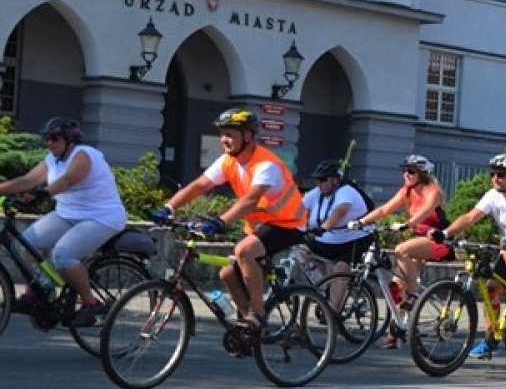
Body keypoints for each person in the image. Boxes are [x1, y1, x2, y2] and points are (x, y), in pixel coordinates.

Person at [157, 109, 306, 329]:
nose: (224, 140)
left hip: (288, 223)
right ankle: (246, 327)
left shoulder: (266, 164)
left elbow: (251, 200)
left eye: (230, 134)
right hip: (258, 225)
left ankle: (258, 315)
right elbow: (200, 186)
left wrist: (220, 221)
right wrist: (169, 207)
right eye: (222, 134)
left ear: (248, 136)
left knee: (245, 251)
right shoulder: (228, 161)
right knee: (228, 273)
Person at [0, 116, 128, 326]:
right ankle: (42, 288)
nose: (49, 143)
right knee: (25, 244)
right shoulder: (51, 160)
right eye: (47, 138)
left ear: (69, 140)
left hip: (101, 217)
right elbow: (26, 180)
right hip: (67, 214)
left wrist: (42, 194)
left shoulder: (84, 155)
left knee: (63, 255)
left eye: (54, 138)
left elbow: (69, 180)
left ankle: (90, 303)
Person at [431, 153, 506, 359]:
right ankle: (491, 341)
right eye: (493, 174)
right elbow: (470, 217)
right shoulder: (492, 195)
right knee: (490, 290)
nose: (496, 178)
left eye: (501, 175)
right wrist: (445, 233)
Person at [347, 155, 451, 343]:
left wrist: (407, 224)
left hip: (439, 241)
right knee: (395, 287)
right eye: (404, 171)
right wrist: (361, 221)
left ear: (422, 174)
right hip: (419, 241)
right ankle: (397, 331)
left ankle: (415, 294)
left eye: (411, 171)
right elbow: (384, 210)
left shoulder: (432, 191)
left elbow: (425, 212)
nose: (406, 175)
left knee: (401, 250)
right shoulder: (406, 191)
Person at [300, 159, 374, 312]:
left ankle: (333, 312)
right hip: (331, 239)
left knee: (341, 268)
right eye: (317, 180)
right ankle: (328, 287)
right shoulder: (318, 193)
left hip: (356, 238)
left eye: (323, 180)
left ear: (335, 181)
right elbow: (298, 207)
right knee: (303, 251)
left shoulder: (346, 191)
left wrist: (323, 228)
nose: (318, 184)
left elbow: (340, 211)